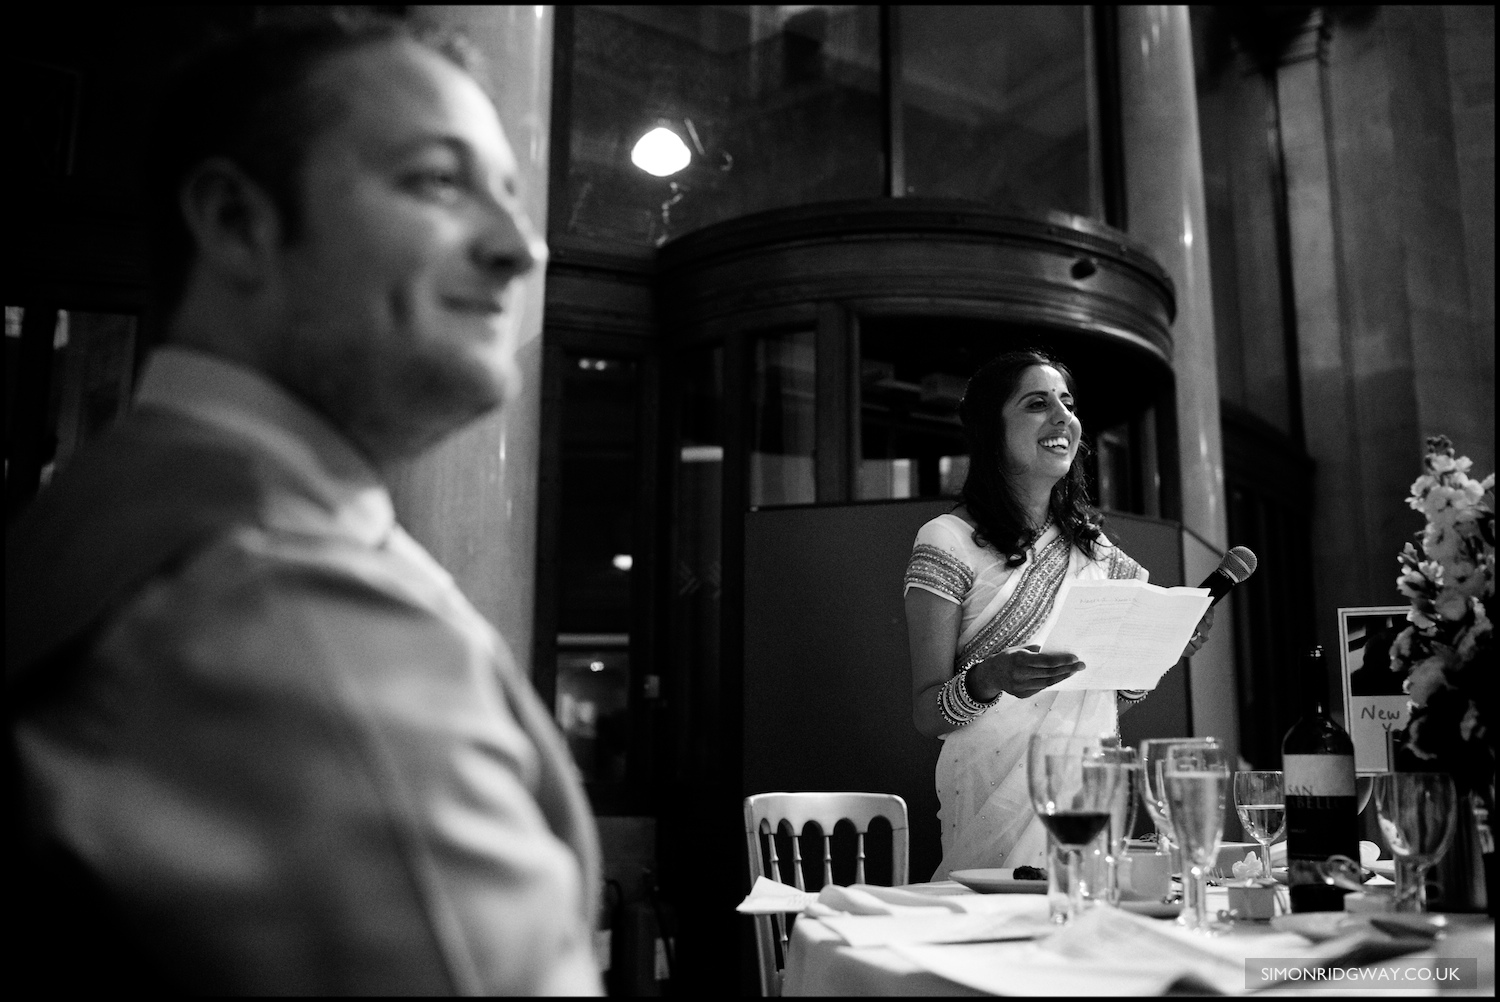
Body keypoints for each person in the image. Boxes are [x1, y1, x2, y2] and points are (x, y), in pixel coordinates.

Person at [5, 17, 601, 995]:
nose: (520, 246)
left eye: (509, 191)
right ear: (239, 223)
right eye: (436, 181)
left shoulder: (110, 513)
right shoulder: (287, 608)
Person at [903, 350, 1214, 878]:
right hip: (991, 797)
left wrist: (1158, 649)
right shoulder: (947, 540)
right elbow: (927, 711)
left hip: (1089, 791)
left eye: (1067, 403)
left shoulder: (1098, 554)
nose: (1062, 417)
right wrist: (989, 677)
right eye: (1036, 403)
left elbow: (1105, 696)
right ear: (991, 429)